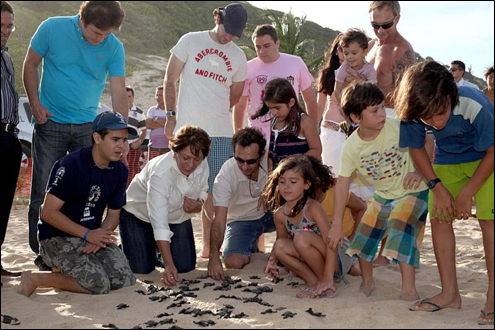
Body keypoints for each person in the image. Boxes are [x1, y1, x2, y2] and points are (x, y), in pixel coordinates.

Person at [23, 1, 128, 268]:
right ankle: (43, 254)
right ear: (81, 19)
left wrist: (120, 136)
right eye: (95, 32)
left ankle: (82, 242)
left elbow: (118, 91)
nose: (100, 39)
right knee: (43, 191)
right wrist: (34, 103)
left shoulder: (113, 46)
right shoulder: (51, 27)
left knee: (89, 190)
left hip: (87, 128)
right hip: (50, 122)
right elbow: (30, 64)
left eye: (105, 34)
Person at [396, 61, 494, 326]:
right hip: (447, 160)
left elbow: (492, 152)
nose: (435, 123)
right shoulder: (414, 108)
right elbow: (417, 148)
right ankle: (450, 294)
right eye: (427, 119)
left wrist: (467, 193)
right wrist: (436, 187)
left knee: (489, 220)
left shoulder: (475, 103)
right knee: (439, 217)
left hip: (485, 157)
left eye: (440, 113)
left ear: (452, 96)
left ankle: (493, 296)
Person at [326, 81, 431, 301]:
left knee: (400, 226)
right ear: (356, 118)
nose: (382, 114)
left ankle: (409, 289)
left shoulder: (397, 126)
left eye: (382, 107)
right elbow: (342, 185)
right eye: (374, 111)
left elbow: (428, 141)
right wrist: (336, 224)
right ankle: (367, 281)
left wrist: (421, 172)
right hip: (383, 196)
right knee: (364, 236)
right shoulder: (352, 147)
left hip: (414, 191)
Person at [17, 111, 137, 297]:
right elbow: (47, 213)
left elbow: (113, 214)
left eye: (124, 140)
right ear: (97, 137)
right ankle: (37, 278)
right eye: (115, 139)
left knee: (125, 280)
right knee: (98, 285)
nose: (121, 146)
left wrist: (100, 238)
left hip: (92, 236)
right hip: (57, 236)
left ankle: (66, 270)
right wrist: (88, 234)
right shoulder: (71, 164)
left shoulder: (119, 170)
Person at [163, 3, 248, 258]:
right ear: (218, 18)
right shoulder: (190, 41)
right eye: (227, 29)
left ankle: (210, 250)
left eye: (235, 33)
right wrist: (170, 116)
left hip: (221, 132)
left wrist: (213, 109)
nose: (229, 36)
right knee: (177, 186)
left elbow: (234, 96)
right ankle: (168, 248)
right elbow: (169, 80)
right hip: (188, 130)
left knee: (213, 192)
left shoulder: (238, 56)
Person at [120, 126, 210, 286]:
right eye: (186, 158)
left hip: (176, 217)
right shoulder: (160, 173)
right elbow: (159, 222)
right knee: (141, 268)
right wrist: (168, 265)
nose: (191, 164)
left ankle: (151, 246)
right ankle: (129, 245)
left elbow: (203, 190)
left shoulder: (202, 163)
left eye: (196, 159)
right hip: (138, 215)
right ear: (175, 152)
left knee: (185, 266)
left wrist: (198, 205)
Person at [263, 156, 356, 299]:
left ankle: (325, 283)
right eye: (282, 182)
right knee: (280, 246)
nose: (286, 186)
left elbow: (331, 243)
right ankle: (314, 282)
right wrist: (273, 260)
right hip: (312, 255)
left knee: (301, 238)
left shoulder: (313, 208)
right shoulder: (280, 214)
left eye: (293, 182)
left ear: (306, 184)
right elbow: (281, 243)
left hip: (337, 258)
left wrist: (328, 276)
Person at [208, 128, 276, 281]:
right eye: (239, 160)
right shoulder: (226, 174)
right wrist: (213, 257)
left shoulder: (273, 161)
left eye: (251, 161)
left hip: (272, 214)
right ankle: (252, 246)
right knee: (233, 263)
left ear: (262, 155)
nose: (245, 167)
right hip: (242, 220)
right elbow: (218, 220)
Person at [233, 24, 316, 141]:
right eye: (258, 47)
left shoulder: (296, 63)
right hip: (259, 137)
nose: (262, 51)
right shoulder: (248, 68)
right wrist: (238, 136)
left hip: (291, 133)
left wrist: (312, 132)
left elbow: (310, 99)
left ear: (277, 44)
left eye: (266, 46)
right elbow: (240, 106)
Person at [252, 78, 322, 170]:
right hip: (279, 175)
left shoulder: (304, 121)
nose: (274, 112)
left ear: (291, 102)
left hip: (299, 174)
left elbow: (316, 150)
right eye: (270, 108)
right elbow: (273, 151)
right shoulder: (274, 121)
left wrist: (294, 163)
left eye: (277, 108)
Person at [1, 0, 21, 281]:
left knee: (3, 206)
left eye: (9, 26)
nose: (5, 31)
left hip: (9, 136)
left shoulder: (6, 57)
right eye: (0, 25)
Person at [366, 1, 415, 118]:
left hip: (390, 116)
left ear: (397, 18)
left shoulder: (402, 50)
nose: (380, 30)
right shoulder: (371, 45)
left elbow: (404, 95)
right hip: (365, 115)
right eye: (375, 25)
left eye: (386, 25)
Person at [318, 34, 347, 174]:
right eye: (342, 48)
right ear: (336, 50)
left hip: (356, 132)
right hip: (332, 130)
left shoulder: (364, 73)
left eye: (350, 48)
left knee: (356, 183)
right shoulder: (328, 74)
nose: (345, 52)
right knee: (332, 175)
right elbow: (319, 106)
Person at [334, 28, 377, 107]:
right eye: (346, 54)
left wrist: (359, 81)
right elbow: (337, 91)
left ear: (364, 51)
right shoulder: (343, 69)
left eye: (354, 53)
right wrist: (342, 107)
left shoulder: (369, 69)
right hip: (347, 103)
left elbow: (374, 90)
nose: (350, 57)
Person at [126, 86, 147, 185]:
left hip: (133, 146)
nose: (127, 99)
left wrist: (139, 142)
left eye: (129, 96)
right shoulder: (117, 111)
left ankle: (130, 194)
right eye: (125, 96)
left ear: (133, 97)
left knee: (133, 171)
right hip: (120, 146)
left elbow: (144, 131)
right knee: (120, 169)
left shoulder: (139, 113)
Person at [146, 86, 170, 161]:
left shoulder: (173, 110)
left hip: (168, 147)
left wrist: (156, 119)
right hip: (154, 146)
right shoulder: (152, 110)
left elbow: (173, 124)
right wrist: (165, 122)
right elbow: (148, 124)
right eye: (157, 95)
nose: (158, 97)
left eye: (161, 95)